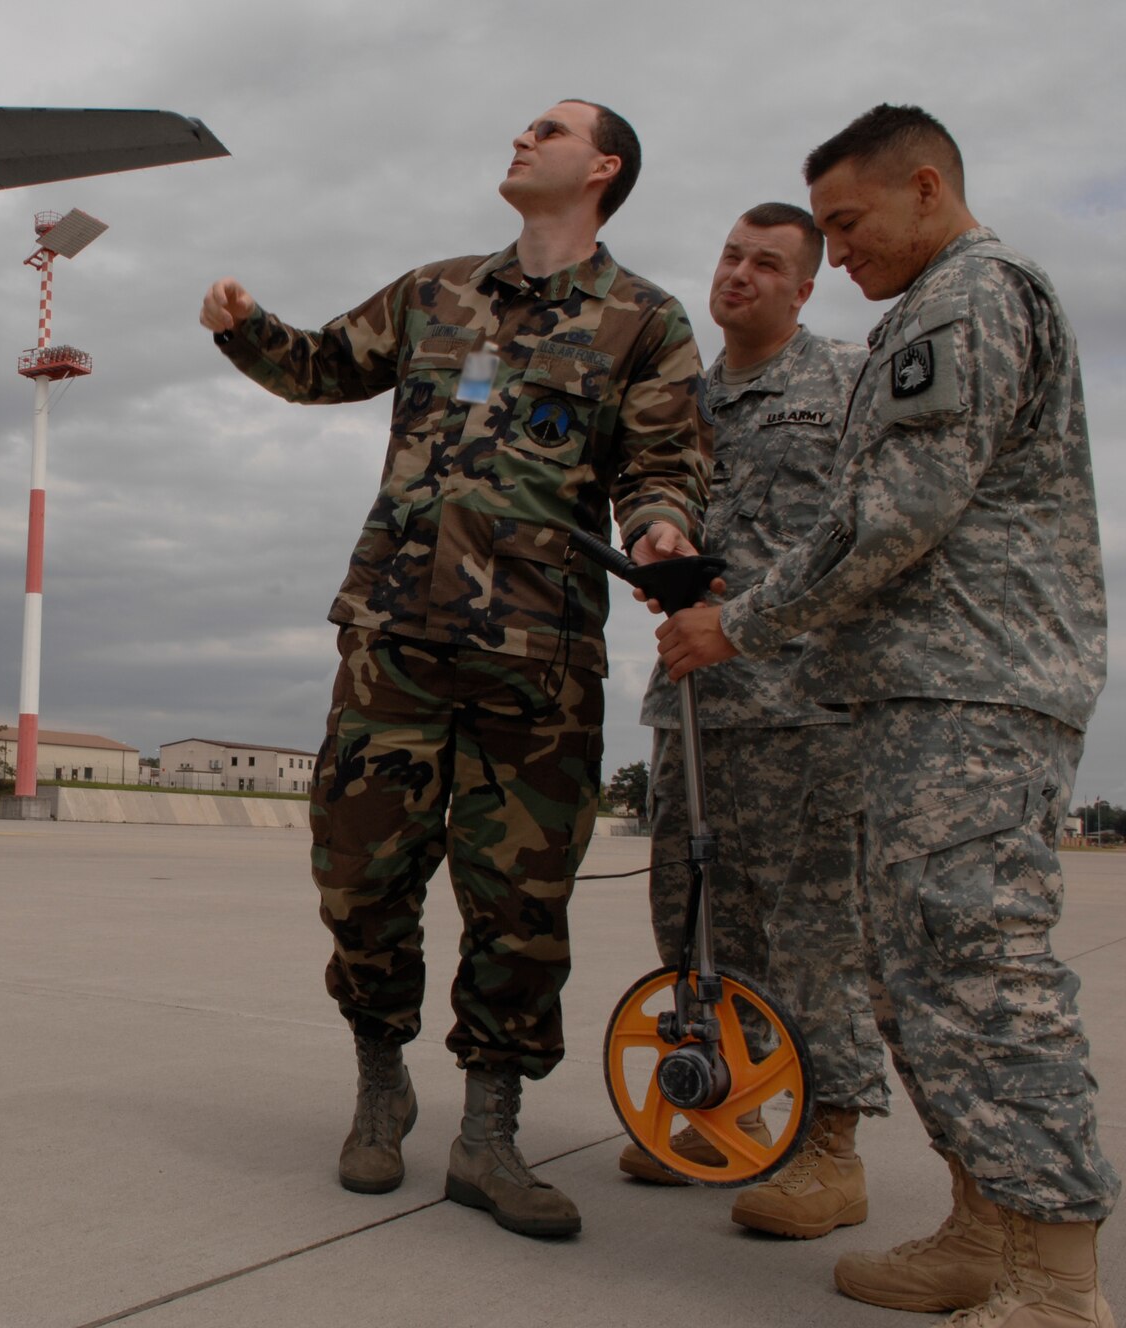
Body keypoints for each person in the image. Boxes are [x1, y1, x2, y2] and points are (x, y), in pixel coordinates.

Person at [199, 99, 709, 1239]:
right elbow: (325, 367)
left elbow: (663, 462)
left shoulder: (645, 319)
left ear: (602, 167)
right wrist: (244, 326)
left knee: (518, 909)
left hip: (539, 664)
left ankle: (489, 1132)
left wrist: (665, 528)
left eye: (548, 129)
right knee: (359, 881)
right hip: (393, 639)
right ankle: (381, 1085)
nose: (520, 138)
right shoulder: (434, 291)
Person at [655, 105, 1113, 1325]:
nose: (835, 253)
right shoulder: (923, 306)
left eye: (845, 226)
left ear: (924, 188)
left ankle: (1053, 1278)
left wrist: (734, 622)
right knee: (920, 974)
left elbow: (890, 516)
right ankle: (983, 1227)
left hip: (972, 686)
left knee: (978, 964)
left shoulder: (968, 294)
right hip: (916, 689)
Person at [621, 204, 891, 1241]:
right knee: (690, 918)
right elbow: (641, 495)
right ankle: (718, 1108)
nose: (739, 274)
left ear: (803, 286)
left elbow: (872, 529)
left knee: (810, 930)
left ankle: (828, 1145)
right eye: (730, 255)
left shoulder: (846, 381)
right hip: (691, 705)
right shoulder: (675, 400)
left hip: (807, 704)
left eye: (766, 263)